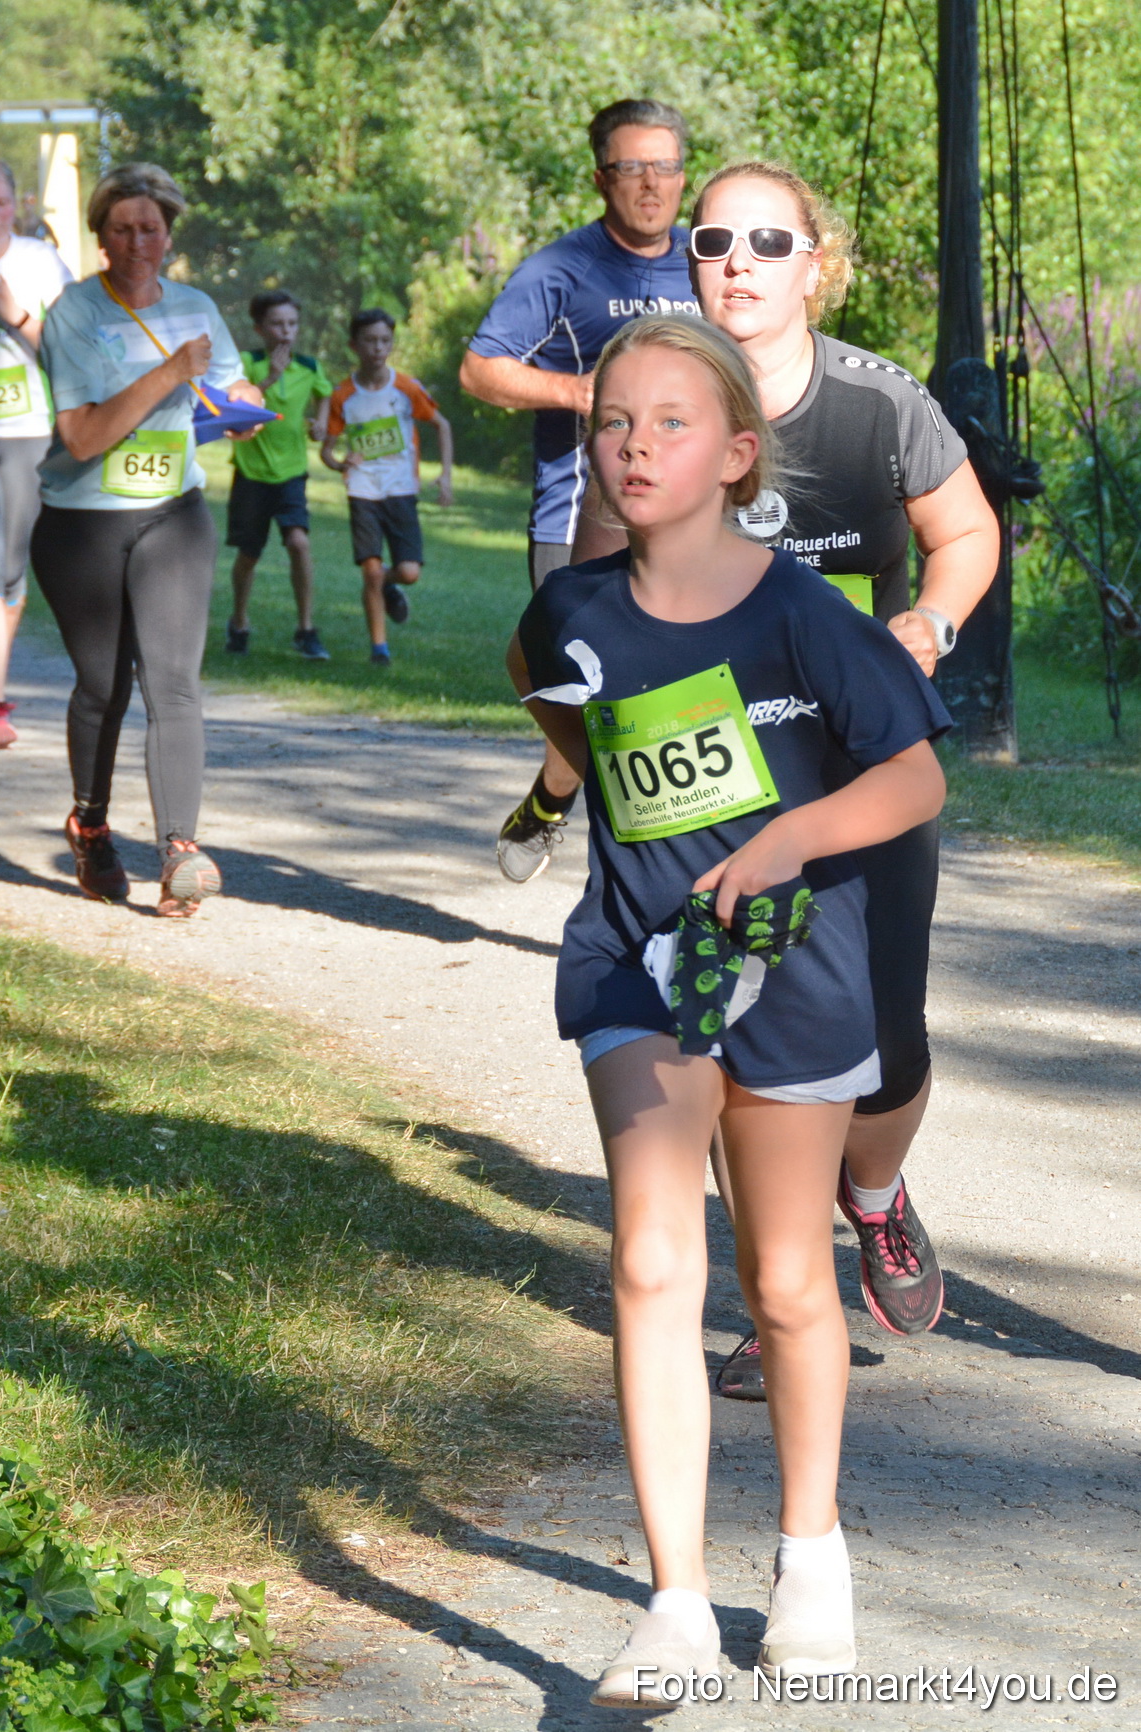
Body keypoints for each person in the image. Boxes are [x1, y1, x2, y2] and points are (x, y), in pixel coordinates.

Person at [509, 314, 949, 1695]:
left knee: (778, 1281)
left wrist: (784, 841)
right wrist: (555, 801)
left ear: (736, 454)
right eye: (611, 424)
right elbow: (563, 710)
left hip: (792, 968)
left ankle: (808, 1559)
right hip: (637, 970)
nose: (634, 447)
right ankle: (674, 1604)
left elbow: (913, 781)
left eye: (669, 424)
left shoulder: (798, 615)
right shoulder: (566, 609)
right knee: (649, 1263)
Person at [579, 160, 1001, 1398]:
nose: (740, 259)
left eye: (771, 239)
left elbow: (966, 533)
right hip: (712, 785)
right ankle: (782, 1294)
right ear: (691, 260)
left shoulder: (880, 406)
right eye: (715, 239)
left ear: (819, 261)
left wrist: (928, 623)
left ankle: (873, 1196)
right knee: (737, 1028)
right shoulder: (653, 400)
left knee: (892, 1042)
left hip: (859, 768)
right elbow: (587, 598)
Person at [459, 97, 697, 883]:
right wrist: (576, 393)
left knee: (663, 701)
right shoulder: (562, 269)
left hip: (692, 521)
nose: (651, 184)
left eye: (665, 165)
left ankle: (630, 879)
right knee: (579, 688)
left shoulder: (708, 260)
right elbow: (479, 370)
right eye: (632, 167)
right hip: (577, 516)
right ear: (601, 178)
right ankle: (564, 790)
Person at [31, 162, 263, 916]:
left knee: (174, 681)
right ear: (100, 235)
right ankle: (90, 824)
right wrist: (169, 373)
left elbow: (224, 388)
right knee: (105, 686)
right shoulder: (71, 312)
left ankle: (179, 854)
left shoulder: (195, 306)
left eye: (152, 228)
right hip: (83, 523)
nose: (139, 241)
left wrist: (243, 400)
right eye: (123, 228)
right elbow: (87, 435)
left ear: (169, 235)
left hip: (172, 511)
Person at [0, 158, 72, 750]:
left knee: (7, 574)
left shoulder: (39, 263)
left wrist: (16, 315)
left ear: (16, 205)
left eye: (0, 202)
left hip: (25, 430)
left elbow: (77, 352)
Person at [320, 308, 453, 665]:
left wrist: (445, 475)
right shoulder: (342, 395)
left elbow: (441, 425)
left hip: (400, 489)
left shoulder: (407, 388)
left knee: (409, 572)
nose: (378, 348)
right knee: (370, 571)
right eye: (370, 341)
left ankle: (389, 584)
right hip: (362, 490)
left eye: (384, 341)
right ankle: (379, 649)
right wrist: (341, 463)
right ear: (354, 345)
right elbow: (328, 454)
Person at [224, 288, 333, 661]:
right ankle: (238, 622)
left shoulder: (310, 367)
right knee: (249, 555)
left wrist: (320, 424)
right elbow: (237, 411)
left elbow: (325, 395)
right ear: (259, 328)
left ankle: (305, 629)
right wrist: (270, 378)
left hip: (291, 474)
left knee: (299, 544)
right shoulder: (247, 364)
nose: (286, 331)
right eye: (277, 323)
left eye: (292, 323)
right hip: (252, 474)